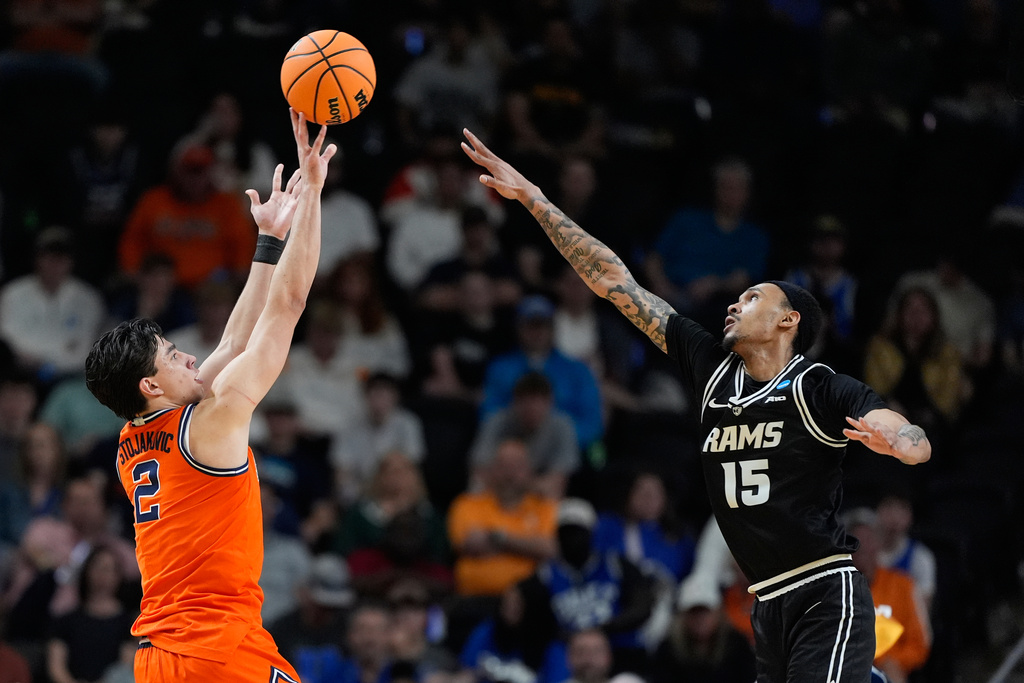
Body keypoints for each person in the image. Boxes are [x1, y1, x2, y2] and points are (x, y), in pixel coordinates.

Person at [461, 129, 931, 683]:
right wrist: (536, 200)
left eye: (753, 297)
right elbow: (615, 281)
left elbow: (904, 432)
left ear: (788, 321)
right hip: (768, 602)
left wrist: (899, 442)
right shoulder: (710, 367)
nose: (736, 301)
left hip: (822, 589)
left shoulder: (816, 386)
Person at [83, 109, 336, 682]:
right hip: (217, 651)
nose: (190, 357)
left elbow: (233, 339)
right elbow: (289, 306)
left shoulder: (133, 441)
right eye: (173, 357)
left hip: (158, 658)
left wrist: (269, 239)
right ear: (150, 386)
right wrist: (314, 192)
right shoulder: (211, 423)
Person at [46, 545, 136, 683]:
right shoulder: (65, 621)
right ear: (86, 571)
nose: (103, 575)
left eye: (109, 569)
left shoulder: (130, 624)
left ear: (119, 576)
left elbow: (125, 665)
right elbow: (56, 667)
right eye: (98, 568)